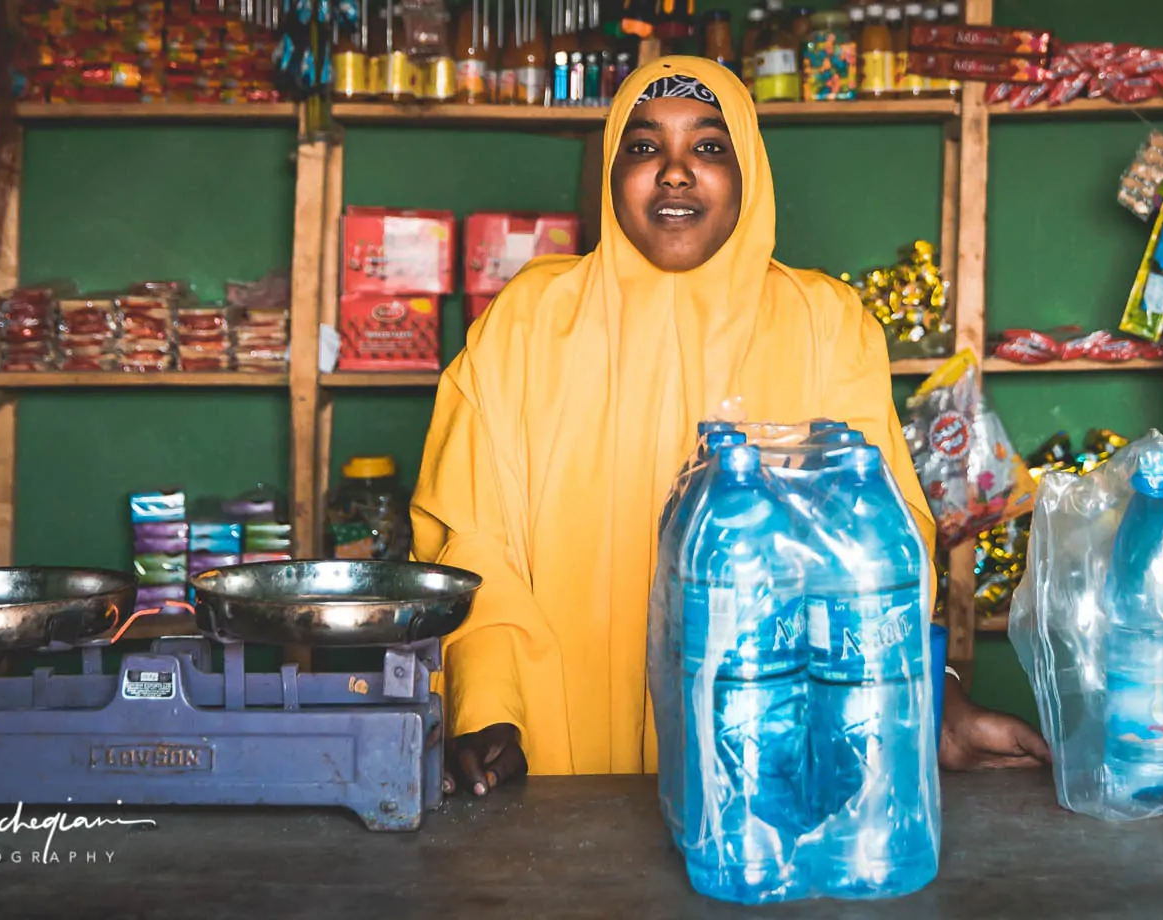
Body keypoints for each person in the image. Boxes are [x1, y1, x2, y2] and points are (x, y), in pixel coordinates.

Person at [413, 55, 1049, 797]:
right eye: (645, 147)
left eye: (709, 148)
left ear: (749, 169)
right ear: (610, 171)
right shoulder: (525, 324)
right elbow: (473, 537)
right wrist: (488, 705)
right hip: (557, 774)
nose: (675, 172)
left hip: (770, 774)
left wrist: (931, 701)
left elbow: (878, 546)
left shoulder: (825, 325)